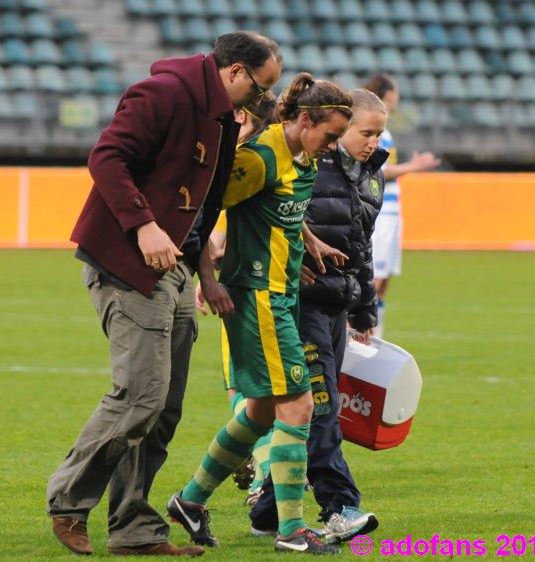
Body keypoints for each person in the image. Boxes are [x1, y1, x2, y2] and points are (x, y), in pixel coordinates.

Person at [46, 31, 282, 557]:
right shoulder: (163, 93)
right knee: (141, 396)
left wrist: (206, 271)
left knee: (162, 409)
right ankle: (67, 499)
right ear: (237, 71)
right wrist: (143, 226)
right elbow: (106, 157)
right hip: (128, 262)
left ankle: (134, 530)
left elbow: (207, 202)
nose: (262, 100)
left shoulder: (222, 117)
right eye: (261, 87)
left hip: (176, 270)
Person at [167, 73, 352, 555]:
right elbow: (201, 210)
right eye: (329, 135)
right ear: (304, 120)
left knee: (260, 410)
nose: (331, 147)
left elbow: (287, 206)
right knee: (300, 405)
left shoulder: (302, 155)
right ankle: (291, 530)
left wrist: (308, 243)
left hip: (283, 294)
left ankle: (190, 501)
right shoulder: (259, 158)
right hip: (256, 297)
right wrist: (207, 278)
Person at [249, 88, 390, 544]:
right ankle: (340, 505)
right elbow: (270, 217)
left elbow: (362, 250)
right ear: (339, 128)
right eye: (365, 132)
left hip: (336, 307)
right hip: (300, 303)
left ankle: (268, 507)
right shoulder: (307, 165)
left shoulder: (371, 178)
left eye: (379, 134)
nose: (373, 142)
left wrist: (364, 307)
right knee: (321, 407)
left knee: (311, 408)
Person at [194, 93, 279, 502]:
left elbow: (218, 233)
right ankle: (257, 464)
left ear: (244, 116)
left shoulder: (246, 160)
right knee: (273, 393)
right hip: (282, 288)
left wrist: (207, 269)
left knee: (244, 392)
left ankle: (260, 473)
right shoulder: (284, 156)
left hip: (249, 290)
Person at [361, 73, 441, 337]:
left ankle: (375, 333)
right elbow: (376, 170)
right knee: (375, 278)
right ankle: (363, 335)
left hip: (391, 210)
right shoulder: (377, 130)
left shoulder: (386, 130)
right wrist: (414, 167)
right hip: (381, 211)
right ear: (388, 94)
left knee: (383, 281)